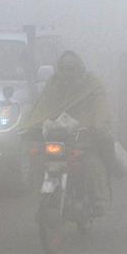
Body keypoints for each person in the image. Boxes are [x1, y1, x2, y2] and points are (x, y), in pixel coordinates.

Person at [21, 50, 114, 215]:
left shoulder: (91, 83)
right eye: (63, 68)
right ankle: (39, 195)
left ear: (79, 68)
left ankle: (100, 200)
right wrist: (34, 125)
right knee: (37, 159)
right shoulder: (54, 83)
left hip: (83, 136)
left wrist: (97, 125)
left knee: (91, 162)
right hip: (55, 138)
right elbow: (43, 106)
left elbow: (100, 106)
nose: (67, 73)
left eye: (71, 68)